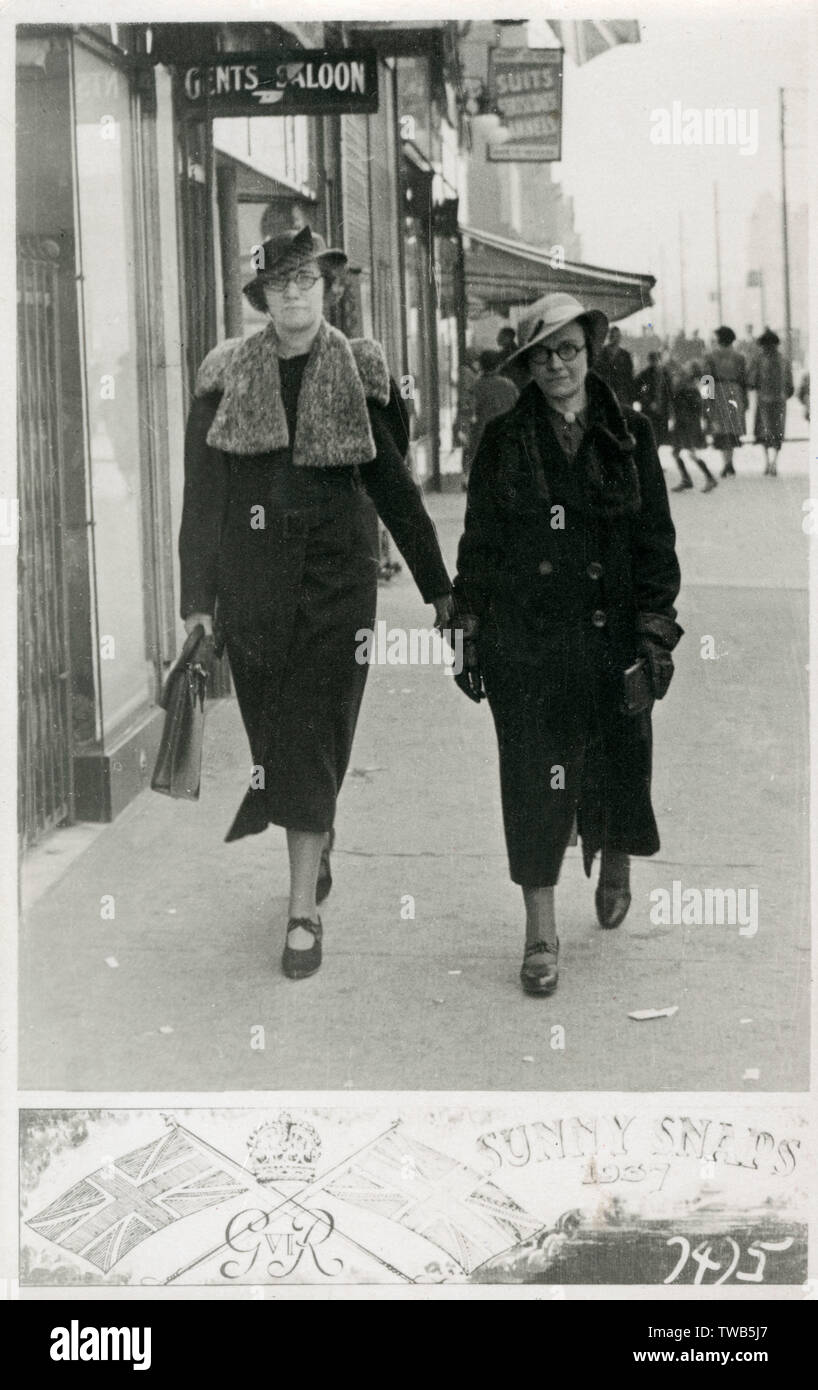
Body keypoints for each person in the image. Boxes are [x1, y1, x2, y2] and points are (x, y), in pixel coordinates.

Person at [179, 225, 452, 980]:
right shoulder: (225, 377)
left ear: (328, 290)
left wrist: (440, 589)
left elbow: (394, 485)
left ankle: (302, 911)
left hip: (337, 587)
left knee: (311, 730)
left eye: (309, 280)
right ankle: (316, 822)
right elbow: (203, 499)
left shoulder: (362, 373)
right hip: (253, 588)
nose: (296, 293)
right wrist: (196, 600)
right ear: (262, 297)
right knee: (275, 740)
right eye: (281, 283)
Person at [453, 291, 682, 997]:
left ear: (592, 351)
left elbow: (654, 545)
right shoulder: (504, 440)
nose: (557, 365)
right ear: (527, 364)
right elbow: (481, 542)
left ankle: (615, 853)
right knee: (532, 778)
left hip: (610, 634)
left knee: (617, 763)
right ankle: (541, 933)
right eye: (543, 354)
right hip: (528, 640)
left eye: (569, 351)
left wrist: (653, 631)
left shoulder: (630, 436)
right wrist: (469, 626)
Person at [462, 350, 519, 477]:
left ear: (481, 366)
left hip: (483, 433)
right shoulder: (509, 385)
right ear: (499, 365)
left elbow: (469, 411)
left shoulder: (476, 386)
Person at [702, 325, 748, 478]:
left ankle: (726, 463)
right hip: (735, 392)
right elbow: (743, 380)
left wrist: (706, 398)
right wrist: (745, 398)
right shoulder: (739, 357)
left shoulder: (710, 356)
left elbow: (707, 378)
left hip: (719, 392)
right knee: (732, 429)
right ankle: (730, 462)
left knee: (721, 429)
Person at [747, 328, 794, 476]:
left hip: (764, 400)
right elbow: (790, 385)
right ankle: (774, 463)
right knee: (777, 431)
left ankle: (768, 462)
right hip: (780, 400)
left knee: (765, 431)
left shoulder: (759, 359)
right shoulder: (783, 360)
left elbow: (751, 380)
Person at [670, 362, 717, 493]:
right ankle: (689, 479)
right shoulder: (691, 388)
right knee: (679, 452)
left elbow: (688, 408)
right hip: (687, 423)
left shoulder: (687, 388)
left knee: (688, 452)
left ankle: (707, 477)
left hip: (685, 424)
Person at [634, 350, 673, 448]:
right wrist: (648, 402)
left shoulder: (666, 375)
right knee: (650, 435)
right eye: (653, 360)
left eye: (657, 360)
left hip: (662, 410)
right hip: (649, 411)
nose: (656, 362)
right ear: (650, 361)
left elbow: (670, 392)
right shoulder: (644, 375)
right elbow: (641, 391)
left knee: (660, 436)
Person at [595, 325, 635, 408]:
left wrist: (630, 398)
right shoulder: (601, 354)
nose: (615, 338)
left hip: (622, 395)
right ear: (609, 337)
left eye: (617, 336)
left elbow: (629, 377)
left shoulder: (625, 355)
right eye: (612, 336)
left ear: (620, 338)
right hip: (604, 394)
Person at [496, 325, 531, 391]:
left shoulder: (513, 353)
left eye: (500, 336)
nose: (497, 338)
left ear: (508, 338)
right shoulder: (518, 351)